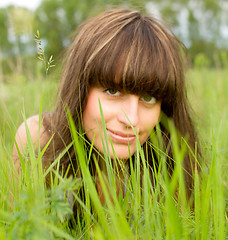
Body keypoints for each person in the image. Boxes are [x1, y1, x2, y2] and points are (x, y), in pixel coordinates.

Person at [12, 8, 199, 206]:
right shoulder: (39, 140)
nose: (131, 120)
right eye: (112, 91)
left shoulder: (170, 164)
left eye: (148, 97)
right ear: (80, 87)